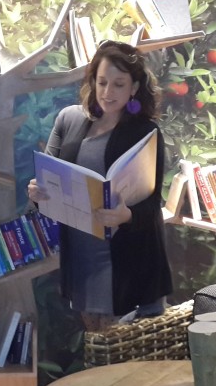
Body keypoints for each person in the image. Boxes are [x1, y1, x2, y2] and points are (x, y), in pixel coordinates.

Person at [28, 41, 173, 332]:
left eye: (119, 84)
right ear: (92, 81)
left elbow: (152, 204)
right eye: (102, 82)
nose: (108, 92)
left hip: (126, 267)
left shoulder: (145, 133)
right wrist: (36, 194)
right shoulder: (68, 119)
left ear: (134, 88)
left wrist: (127, 215)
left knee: (126, 357)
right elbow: (46, 176)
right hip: (82, 263)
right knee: (97, 352)